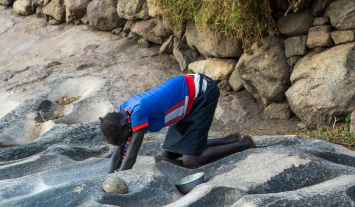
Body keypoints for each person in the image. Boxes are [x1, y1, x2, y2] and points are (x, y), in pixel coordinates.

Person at [100, 73, 256, 174]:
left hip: (201, 94)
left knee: (191, 160)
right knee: (169, 154)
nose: (126, 141)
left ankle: (243, 144)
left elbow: (131, 155)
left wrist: (120, 178)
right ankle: (229, 139)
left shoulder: (138, 112)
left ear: (124, 127)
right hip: (185, 103)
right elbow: (119, 152)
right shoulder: (123, 113)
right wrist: (108, 176)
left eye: (125, 137)